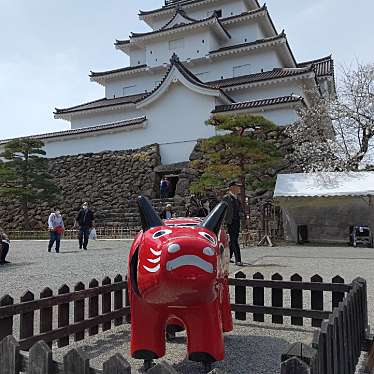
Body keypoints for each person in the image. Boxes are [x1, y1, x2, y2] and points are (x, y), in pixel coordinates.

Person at [223, 181, 244, 266]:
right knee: (234, 240)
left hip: (237, 221)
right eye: (237, 187)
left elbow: (239, 209)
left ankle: (228, 257)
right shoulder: (227, 198)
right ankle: (238, 259)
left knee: (233, 240)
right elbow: (224, 210)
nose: (239, 188)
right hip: (231, 221)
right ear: (232, 188)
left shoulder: (236, 198)